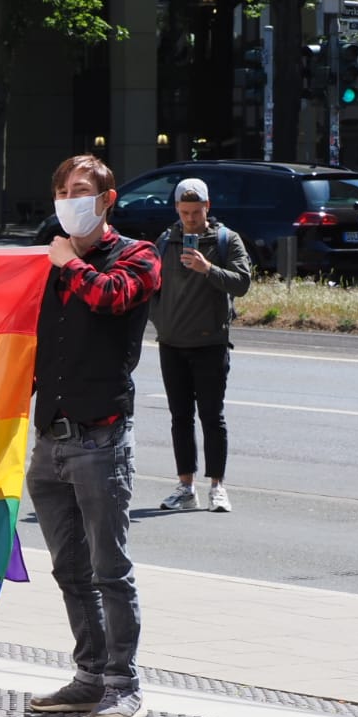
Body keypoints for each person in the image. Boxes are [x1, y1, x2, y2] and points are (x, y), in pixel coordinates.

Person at [26, 154, 161, 717]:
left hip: (100, 440)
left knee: (110, 569)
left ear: (107, 200)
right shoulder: (45, 256)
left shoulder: (138, 255)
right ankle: (89, 676)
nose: (67, 199)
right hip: (48, 441)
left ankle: (123, 684)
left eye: (79, 190)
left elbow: (112, 297)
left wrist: (66, 264)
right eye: (60, 189)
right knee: (69, 570)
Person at [151, 178, 251, 514]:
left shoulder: (225, 240)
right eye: (185, 212)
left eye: (196, 211)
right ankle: (185, 486)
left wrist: (208, 268)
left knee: (212, 417)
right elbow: (151, 285)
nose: (191, 218)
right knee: (180, 417)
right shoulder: (166, 241)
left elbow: (242, 284)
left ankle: (218, 487)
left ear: (208, 207)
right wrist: (160, 320)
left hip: (210, 343)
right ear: (177, 210)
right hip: (171, 343)